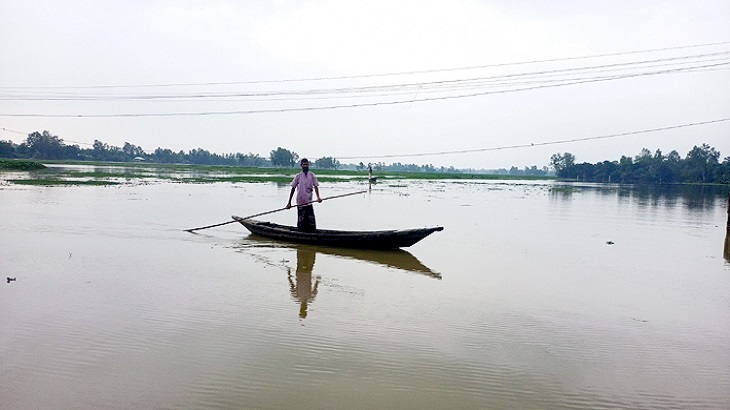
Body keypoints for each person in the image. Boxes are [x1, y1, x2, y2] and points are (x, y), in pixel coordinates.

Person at [286, 158, 322, 231]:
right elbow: (293, 188)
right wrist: (289, 202)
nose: (305, 166)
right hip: (300, 203)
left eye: (306, 164)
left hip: (309, 202)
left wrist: (318, 197)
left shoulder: (312, 175)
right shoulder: (298, 176)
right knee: (301, 223)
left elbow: (316, 186)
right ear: (301, 166)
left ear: (308, 165)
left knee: (311, 223)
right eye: (304, 165)